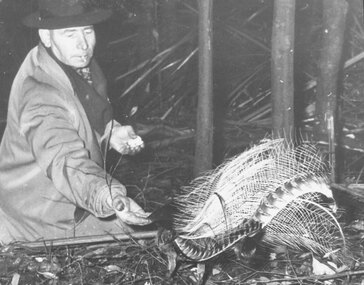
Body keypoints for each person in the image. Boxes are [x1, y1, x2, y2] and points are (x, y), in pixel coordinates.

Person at [0, 0, 151, 244]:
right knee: (139, 240)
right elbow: (65, 160)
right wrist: (106, 195)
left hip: (59, 198)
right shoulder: (41, 95)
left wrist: (109, 131)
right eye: (69, 34)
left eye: (87, 31)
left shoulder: (67, 63)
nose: (83, 44)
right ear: (46, 37)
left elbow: (79, 114)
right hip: (37, 215)